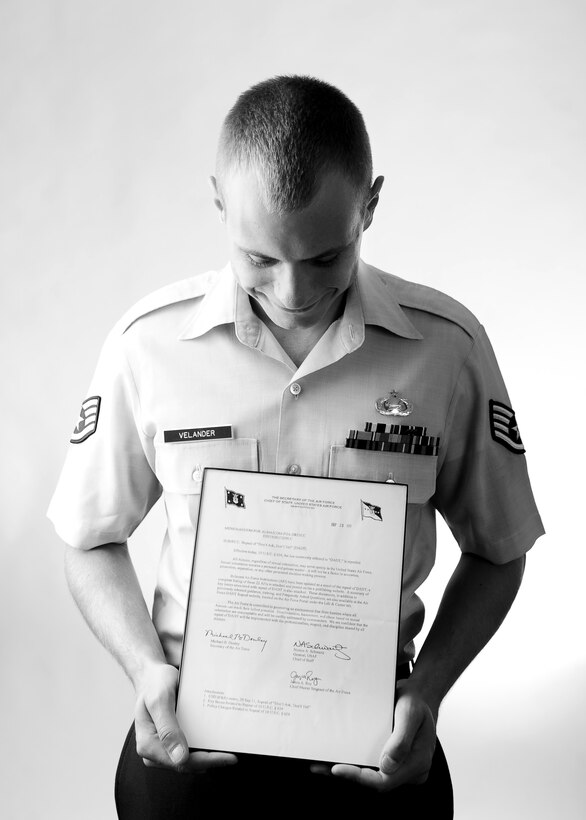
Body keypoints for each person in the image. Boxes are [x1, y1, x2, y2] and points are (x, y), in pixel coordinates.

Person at [48, 75, 544, 819]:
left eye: (323, 258)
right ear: (219, 203)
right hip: (191, 748)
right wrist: (144, 666)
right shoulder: (146, 346)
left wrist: (429, 687)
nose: (290, 291)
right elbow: (88, 537)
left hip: (373, 753)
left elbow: (501, 549)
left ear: (369, 206)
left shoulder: (449, 350)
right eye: (258, 259)